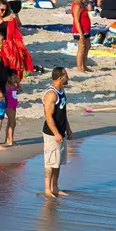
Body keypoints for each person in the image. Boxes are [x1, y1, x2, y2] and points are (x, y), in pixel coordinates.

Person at [40, 67, 72, 198]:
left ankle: (55, 187)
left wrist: (68, 129)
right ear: (60, 78)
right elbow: (48, 117)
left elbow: (63, 113)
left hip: (61, 132)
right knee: (50, 162)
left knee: (57, 162)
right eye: (66, 75)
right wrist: (56, 133)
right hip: (51, 134)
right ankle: (47, 190)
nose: (68, 77)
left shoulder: (62, 91)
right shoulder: (51, 94)